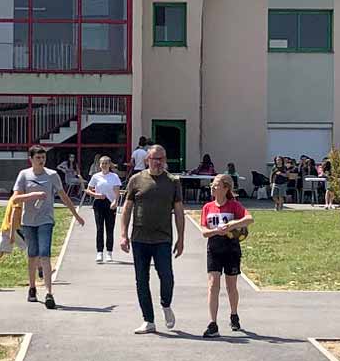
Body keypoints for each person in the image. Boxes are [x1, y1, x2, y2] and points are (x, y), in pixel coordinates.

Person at [120, 144, 186, 334]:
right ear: (147, 160)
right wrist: (123, 235)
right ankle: (148, 320)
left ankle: (166, 305)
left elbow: (179, 213)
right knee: (142, 280)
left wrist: (181, 239)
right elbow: (127, 209)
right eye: (155, 159)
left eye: (162, 158)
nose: (159, 162)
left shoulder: (173, 181)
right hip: (140, 238)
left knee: (166, 276)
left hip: (163, 238)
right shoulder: (136, 180)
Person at [14, 146, 85, 309]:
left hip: (46, 220)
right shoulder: (24, 175)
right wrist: (33, 195)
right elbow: (15, 199)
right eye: (38, 158)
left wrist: (76, 214)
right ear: (31, 159)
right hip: (29, 221)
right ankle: (32, 288)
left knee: (45, 254)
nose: (41, 160)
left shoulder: (52, 175)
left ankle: (49, 293)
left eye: (43, 158)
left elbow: (63, 196)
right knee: (32, 255)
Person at [199, 172, 253, 337]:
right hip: (214, 248)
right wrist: (216, 230)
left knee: (231, 286)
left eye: (216, 184)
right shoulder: (207, 207)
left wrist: (231, 225)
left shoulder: (234, 206)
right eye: (212, 184)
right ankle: (213, 323)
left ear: (225, 188)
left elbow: (249, 219)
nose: (212, 187)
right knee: (213, 285)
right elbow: (204, 231)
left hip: (231, 249)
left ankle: (234, 314)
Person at [87, 155, 124, 263]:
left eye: (106, 163)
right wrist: (96, 195)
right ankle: (99, 252)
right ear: (99, 165)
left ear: (109, 165)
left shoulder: (114, 176)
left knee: (109, 228)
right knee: (99, 228)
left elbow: (117, 190)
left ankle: (109, 252)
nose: (104, 165)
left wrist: (115, 201)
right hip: (99, 203)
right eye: (102, 163)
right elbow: (88, 190)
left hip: (110, 203)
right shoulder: (96, 176)